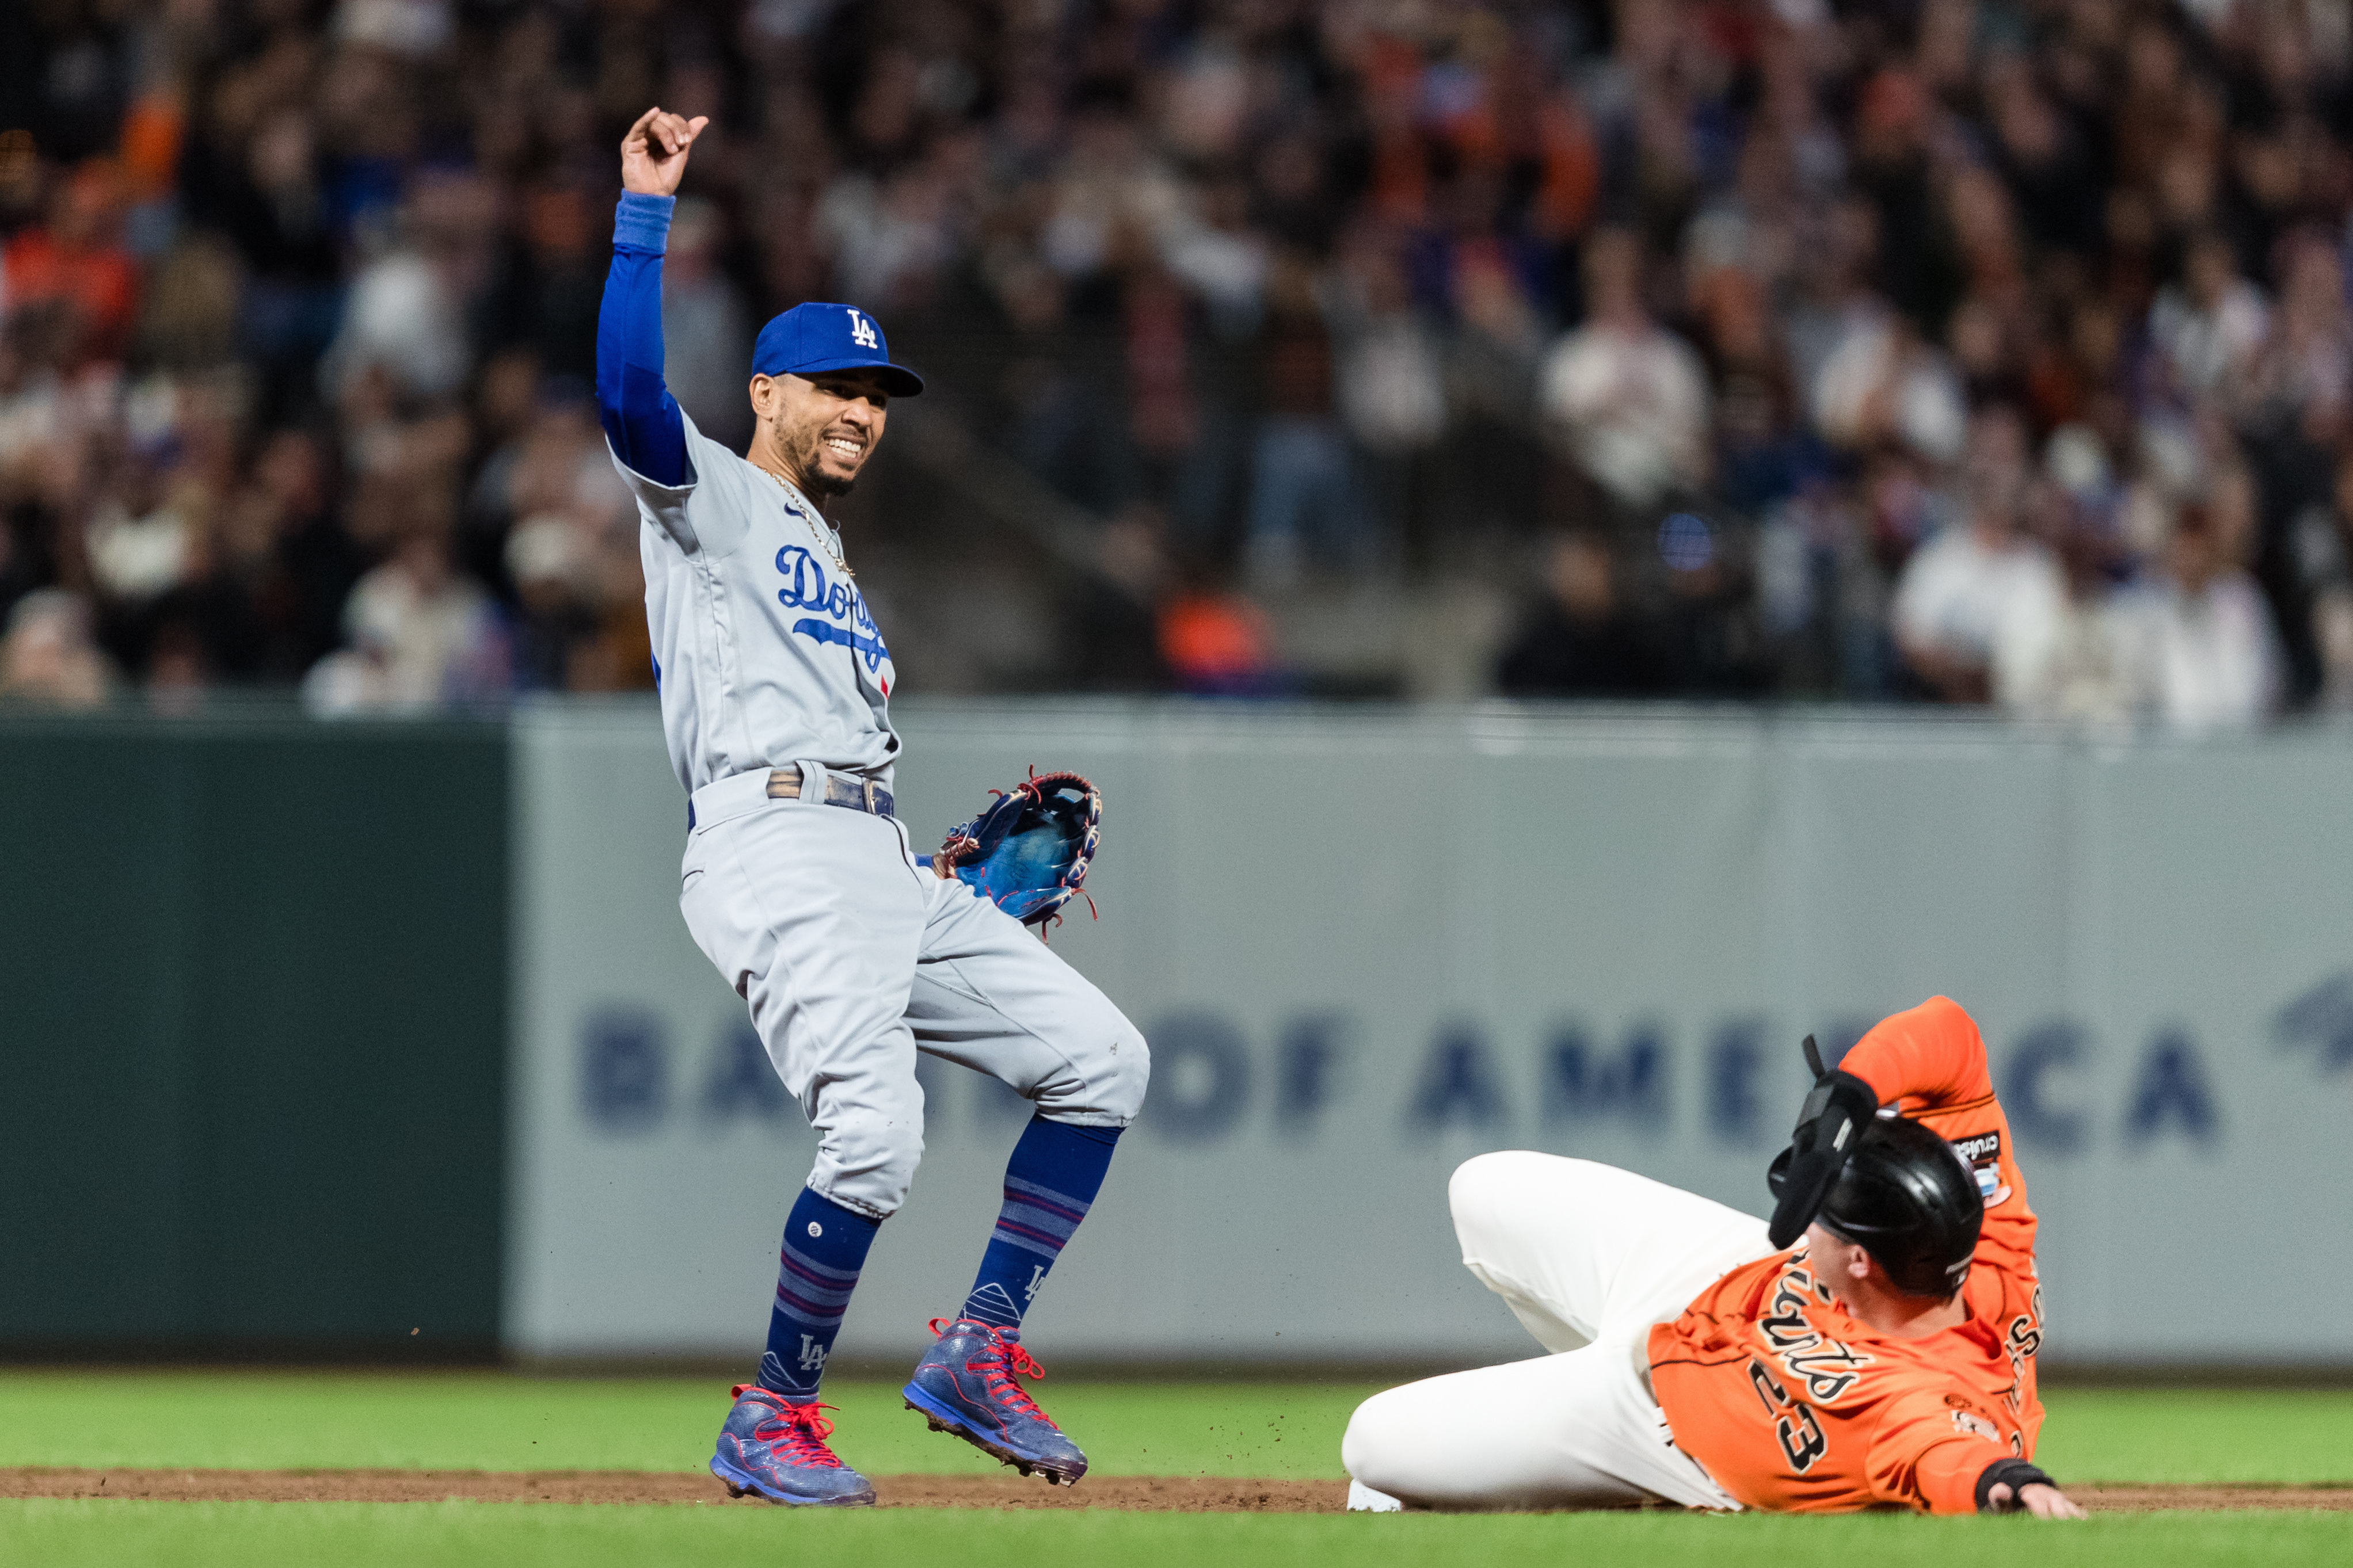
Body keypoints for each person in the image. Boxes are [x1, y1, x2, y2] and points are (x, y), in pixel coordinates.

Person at [595, 108, 1151, 1506]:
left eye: (878, 393)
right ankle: (772, 1412)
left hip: (869, 848)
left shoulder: (825, 555)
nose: (860, 410)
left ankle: (978, 1349)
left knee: (1102, 1058)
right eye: (834, 384)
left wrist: (915, 873)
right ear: (767, 395)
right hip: (772, 837)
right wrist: (645, 214)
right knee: (877, 1134)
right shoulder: (708, 498)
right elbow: (625, 398)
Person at [1342, 995, 2085, 1519]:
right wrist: (1851, 1093)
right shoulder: (1983, 1245)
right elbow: (1950, 1034)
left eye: (1821, 1210)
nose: (1804, 1208)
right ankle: (1550, 1399)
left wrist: (2008, 1481)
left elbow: (1946, 1457)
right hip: (1714, 1273)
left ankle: (1584, 1448)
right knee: (1481, 1188)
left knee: (1372, 1444)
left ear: (1860, 1259)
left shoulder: (1915, 1400)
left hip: (1663, 1426)